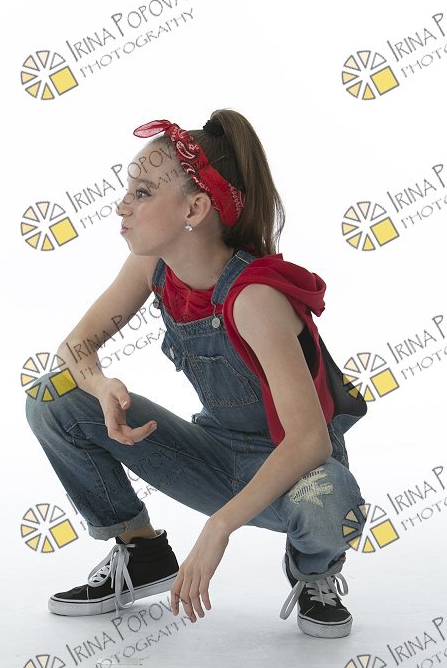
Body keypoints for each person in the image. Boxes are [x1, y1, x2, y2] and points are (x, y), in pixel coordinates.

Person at [25, 110, 369, 638]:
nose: (121, 206)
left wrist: (219, 527)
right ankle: (141, 551)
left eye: (141, 193)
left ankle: (313, 571)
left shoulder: (254, 298)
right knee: (54, 396)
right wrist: (100, 385)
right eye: (128, 191)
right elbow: (76, 347)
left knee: (330, 503)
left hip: (293, 474)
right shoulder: (154, 266)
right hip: (212, 456)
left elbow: (309, 442)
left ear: (195, 208)